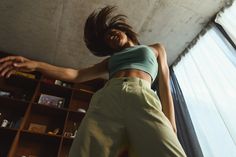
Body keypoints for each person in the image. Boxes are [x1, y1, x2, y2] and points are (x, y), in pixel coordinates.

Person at [0, 6, 186, 157]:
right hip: (108, 98)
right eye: (108, 41)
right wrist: (36, 65)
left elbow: (164, 88)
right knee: (84, 151)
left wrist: (172, 126)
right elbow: (76, 75)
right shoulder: (110, 61)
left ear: (123, 30)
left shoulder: (156, 48)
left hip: (142, 96)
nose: (111, 38)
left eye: (112, 33)